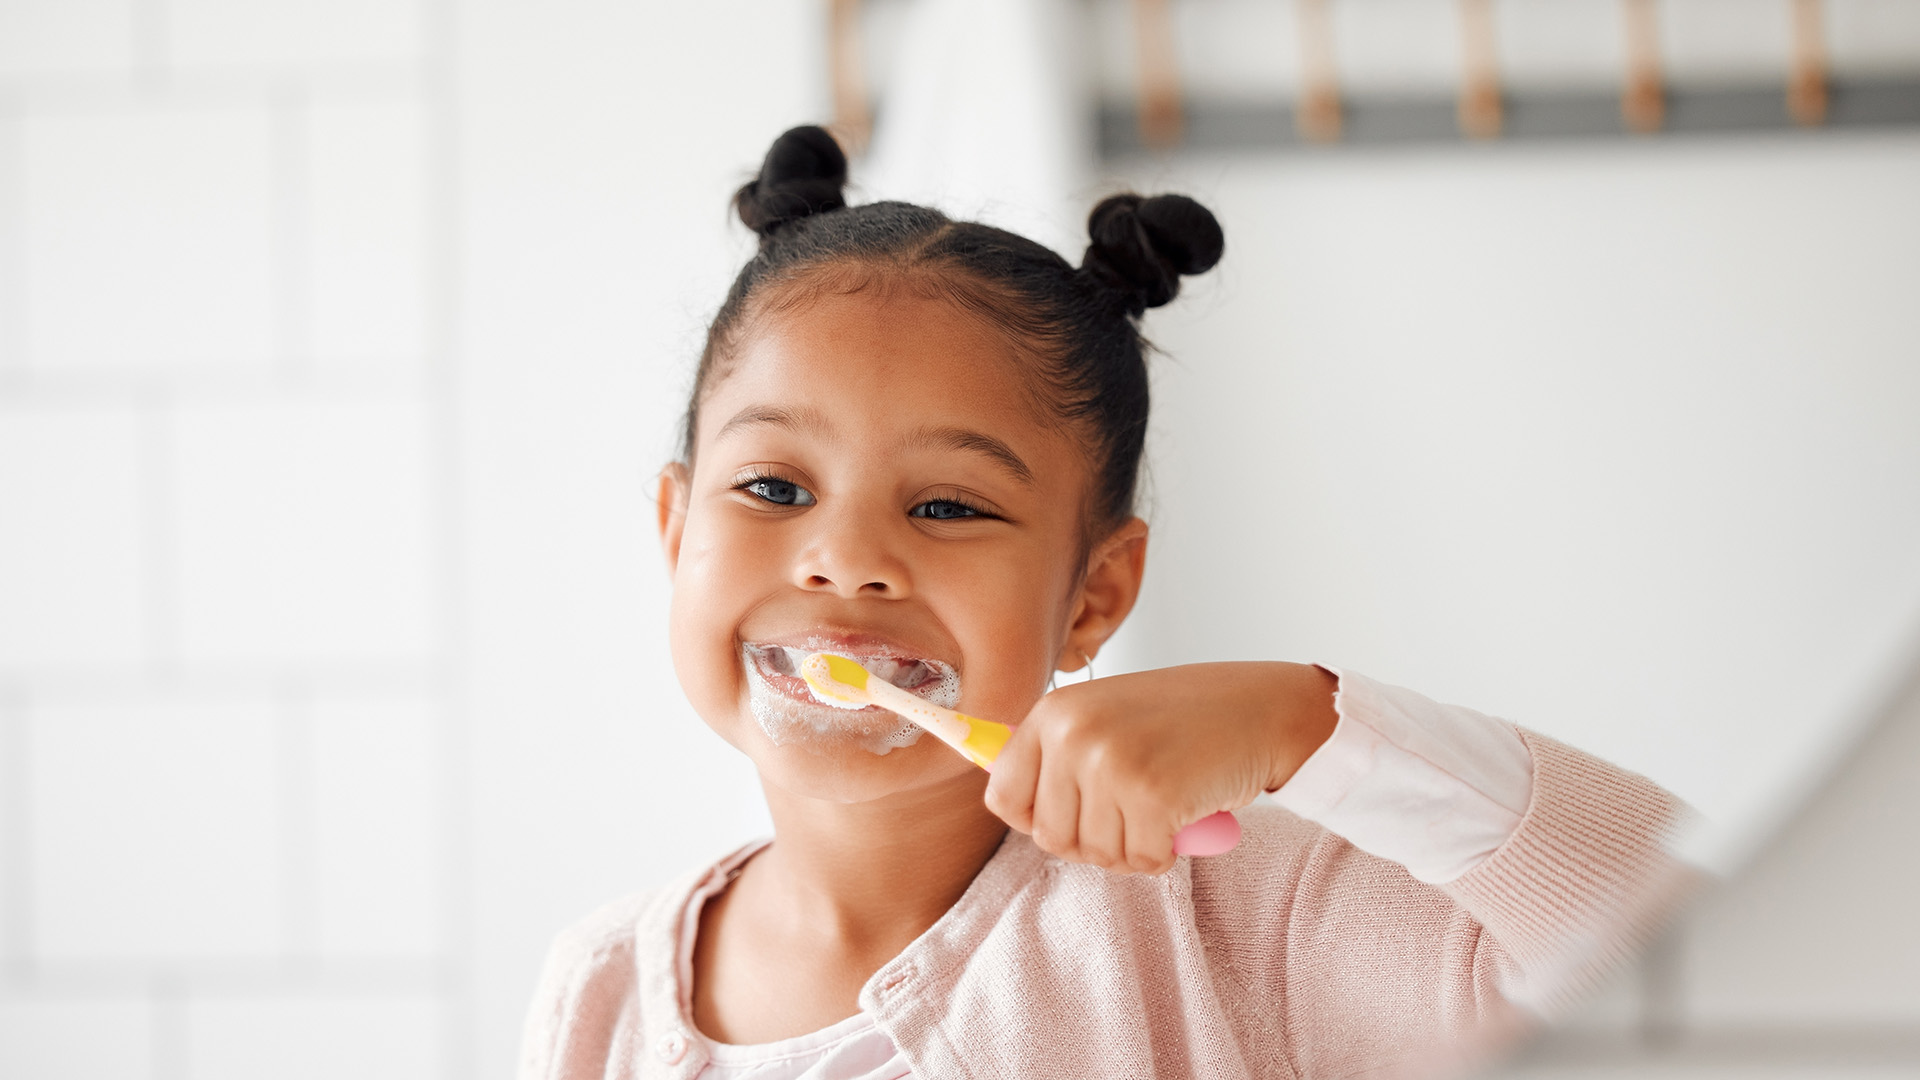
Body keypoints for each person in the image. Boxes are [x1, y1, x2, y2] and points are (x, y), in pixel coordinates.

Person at [518, 126, 1689, 1080]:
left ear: (1096, 594)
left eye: (948, 507)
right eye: (773, 487)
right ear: (678, 533)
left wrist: (1308, 725)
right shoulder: (599, 992)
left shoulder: (1241, 926)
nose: (845, 559)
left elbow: (1700, 959)